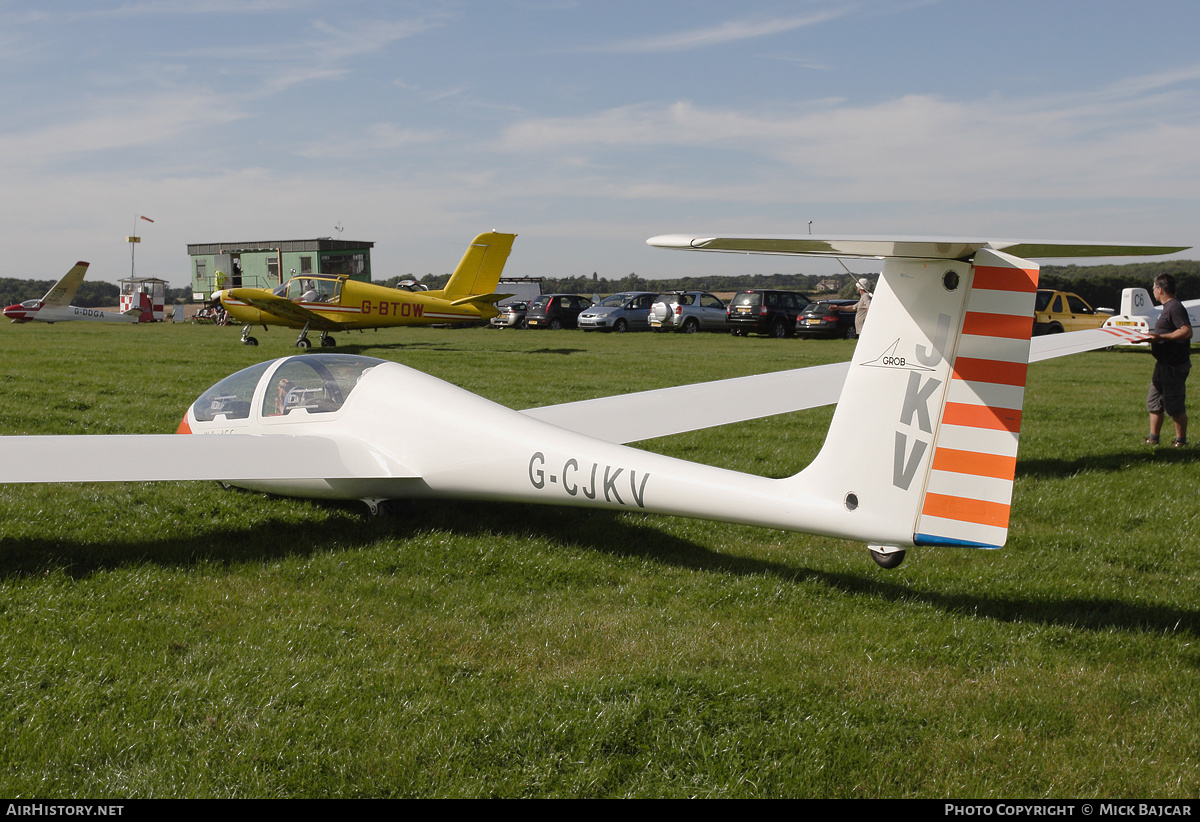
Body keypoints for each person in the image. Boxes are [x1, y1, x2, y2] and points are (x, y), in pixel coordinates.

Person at [1144, 273, 1192, 447]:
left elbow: (1186, 331)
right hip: (1163, 364)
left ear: (1160, 289)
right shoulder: (1167, 308)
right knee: (1154, 402)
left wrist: (1161, 337)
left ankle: (1181, 442)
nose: (1153, 292)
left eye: (1154, 289)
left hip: (1174, 365)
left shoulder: (1175, 307)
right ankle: (1153, 438)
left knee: (1174, 406)